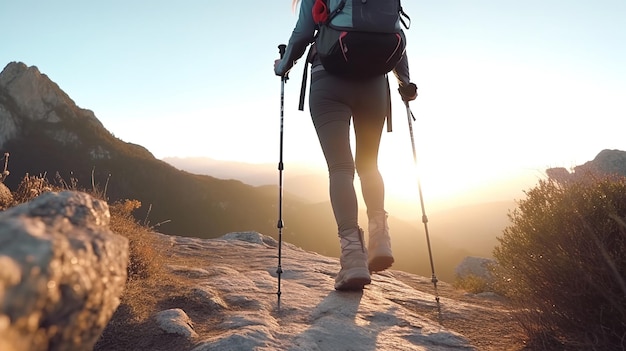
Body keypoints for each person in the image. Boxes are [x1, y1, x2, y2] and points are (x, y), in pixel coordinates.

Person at [274, 0, 418, 291]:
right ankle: (380, 238)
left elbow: (303, 33)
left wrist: (283, 64)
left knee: (341, 168)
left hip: (329, 80)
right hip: (375, 85)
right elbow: (396, 36)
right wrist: (406, 82)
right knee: (369, 165)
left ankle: (353, 258)